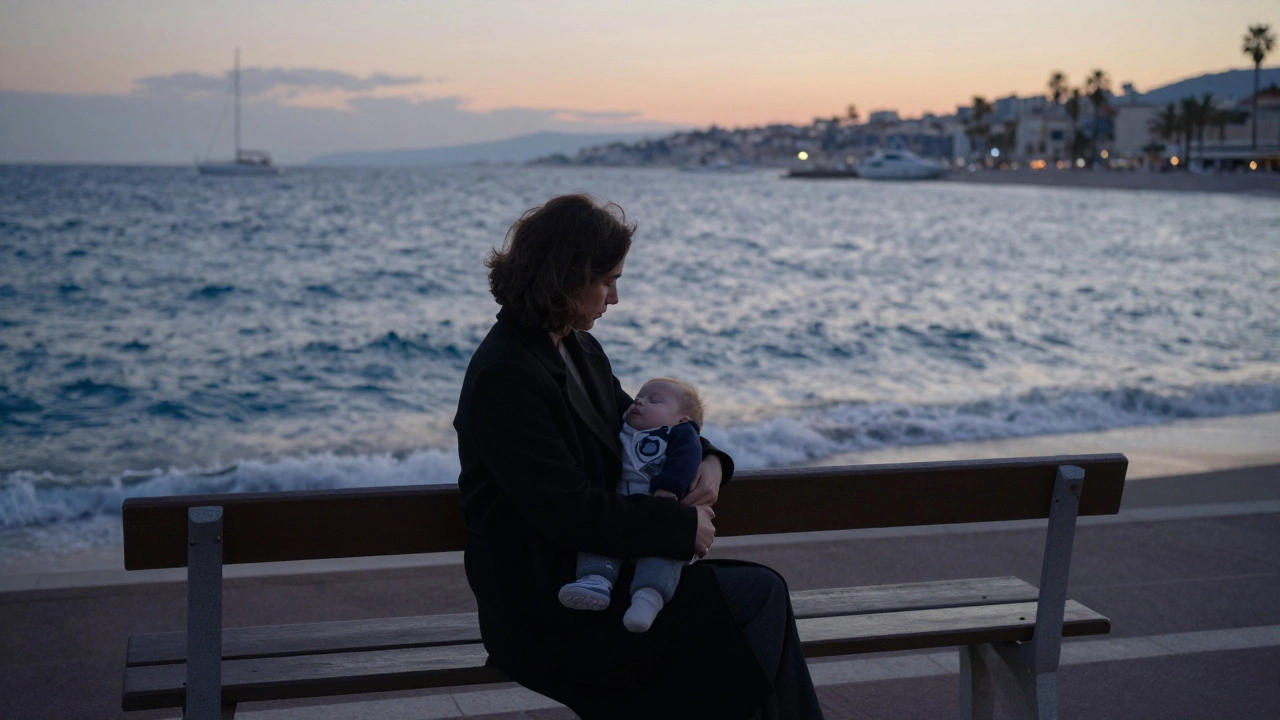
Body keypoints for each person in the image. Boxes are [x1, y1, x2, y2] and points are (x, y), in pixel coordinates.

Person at [454, 194, 824, 719]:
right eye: (607, 281)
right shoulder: (508, 375)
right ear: (567, 276)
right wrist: (678, 528)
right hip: (548, 603)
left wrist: (712, 460)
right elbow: (566, 510)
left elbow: (645, 422)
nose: (615, 298)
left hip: (606, 575)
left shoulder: (577, 349)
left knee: (755, 602)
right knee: (755, 600)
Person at [558, 377, 706, 633]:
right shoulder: (622, 429)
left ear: (682, 421)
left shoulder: (679, 435)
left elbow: (687, 457)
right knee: (599, 540)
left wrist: (668, 488)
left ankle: (648, 598)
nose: (638, 401)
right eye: (639, 396)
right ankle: (595, 580)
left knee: (662, 555)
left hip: (660, 507)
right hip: (617, 507)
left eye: (654, 400)